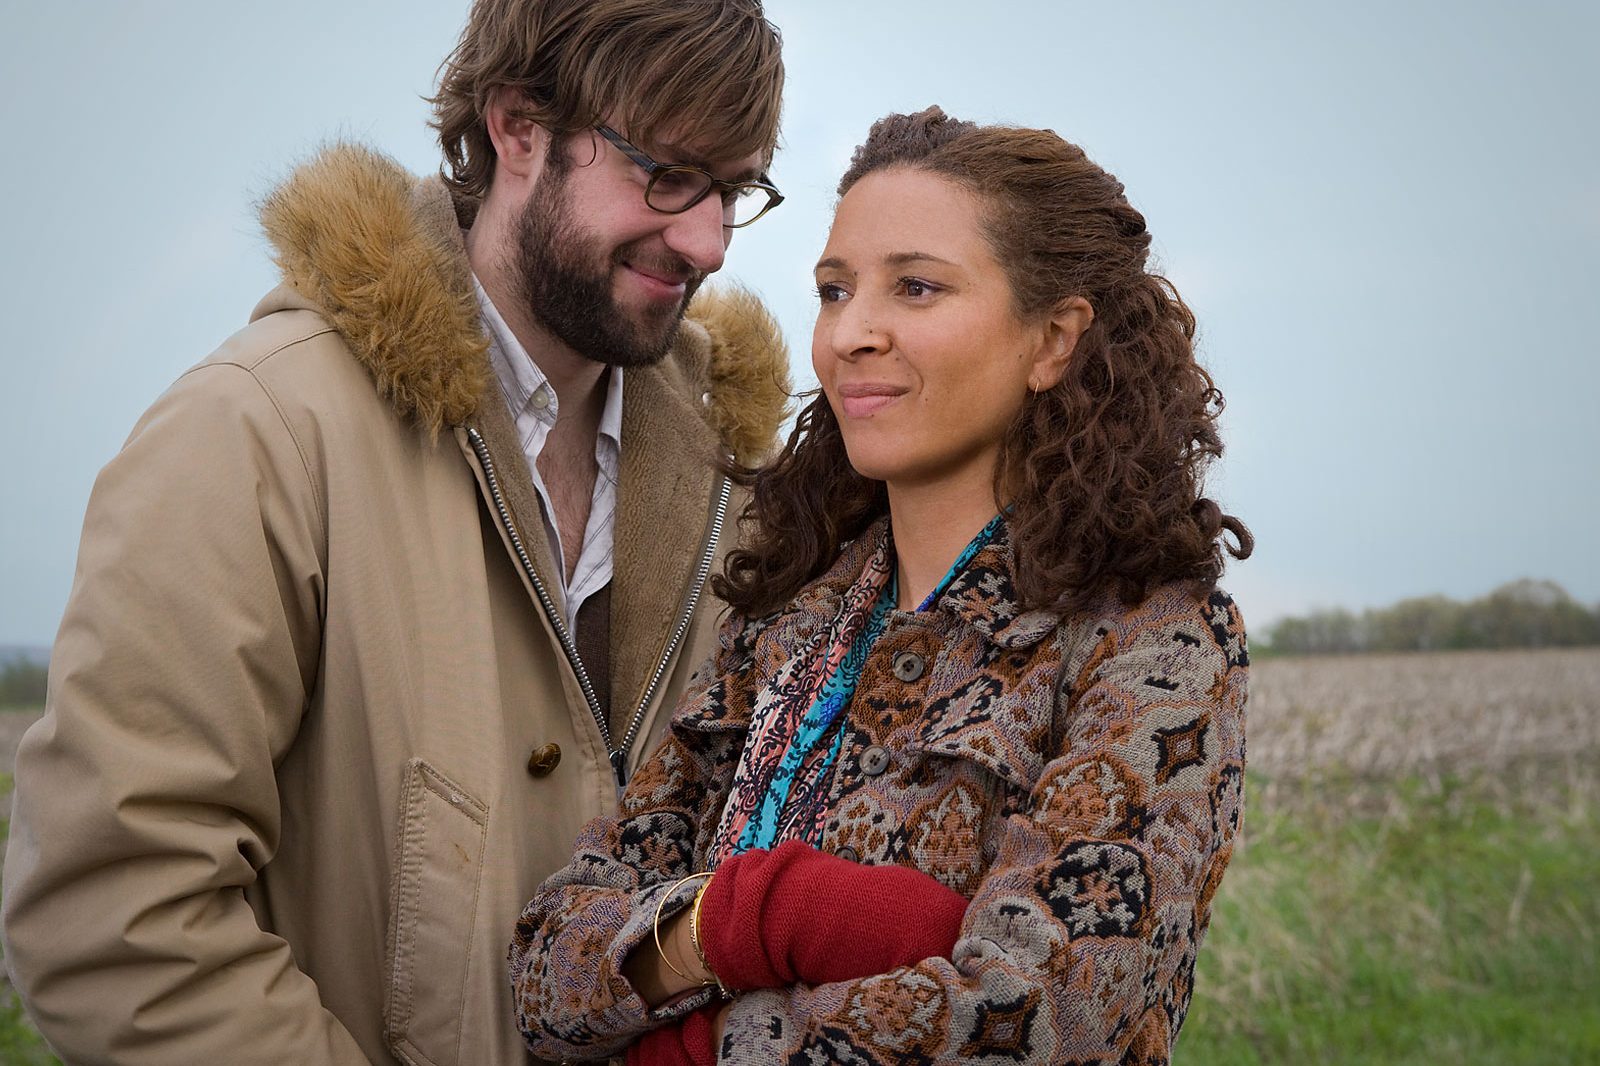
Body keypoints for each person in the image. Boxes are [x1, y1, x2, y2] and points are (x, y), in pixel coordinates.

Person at [1, 2, 789, 1064]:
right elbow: (110, 916)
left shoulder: (739, 483)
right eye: (669, 175)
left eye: (733, 192)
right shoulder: (257, 432)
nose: (706, 242)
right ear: (518, 127)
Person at [509, 106, 1254, 1066]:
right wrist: (760, 916)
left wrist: (672, 1040)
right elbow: (548, 969)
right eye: (834, 290)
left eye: (916, 287)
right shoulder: (789, 621)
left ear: (1054, 340)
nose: (851, 332)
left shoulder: (1152, 641)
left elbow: (1028, 1024)